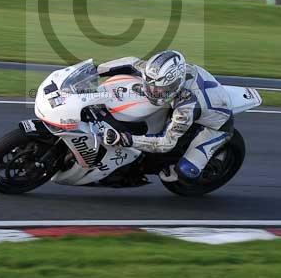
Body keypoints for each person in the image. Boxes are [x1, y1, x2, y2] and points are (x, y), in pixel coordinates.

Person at [96, 50, 233, 181]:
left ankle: (213, 160)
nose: (154, 91)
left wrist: (127, 140)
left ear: (176, 85)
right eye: (150, 85)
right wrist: (95, 71)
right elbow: (131, 62)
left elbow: (166, 144)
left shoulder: (187, 105)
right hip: (201, 98)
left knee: (186, 172)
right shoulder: (158, 73)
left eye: (161, 89)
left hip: (216, 125)